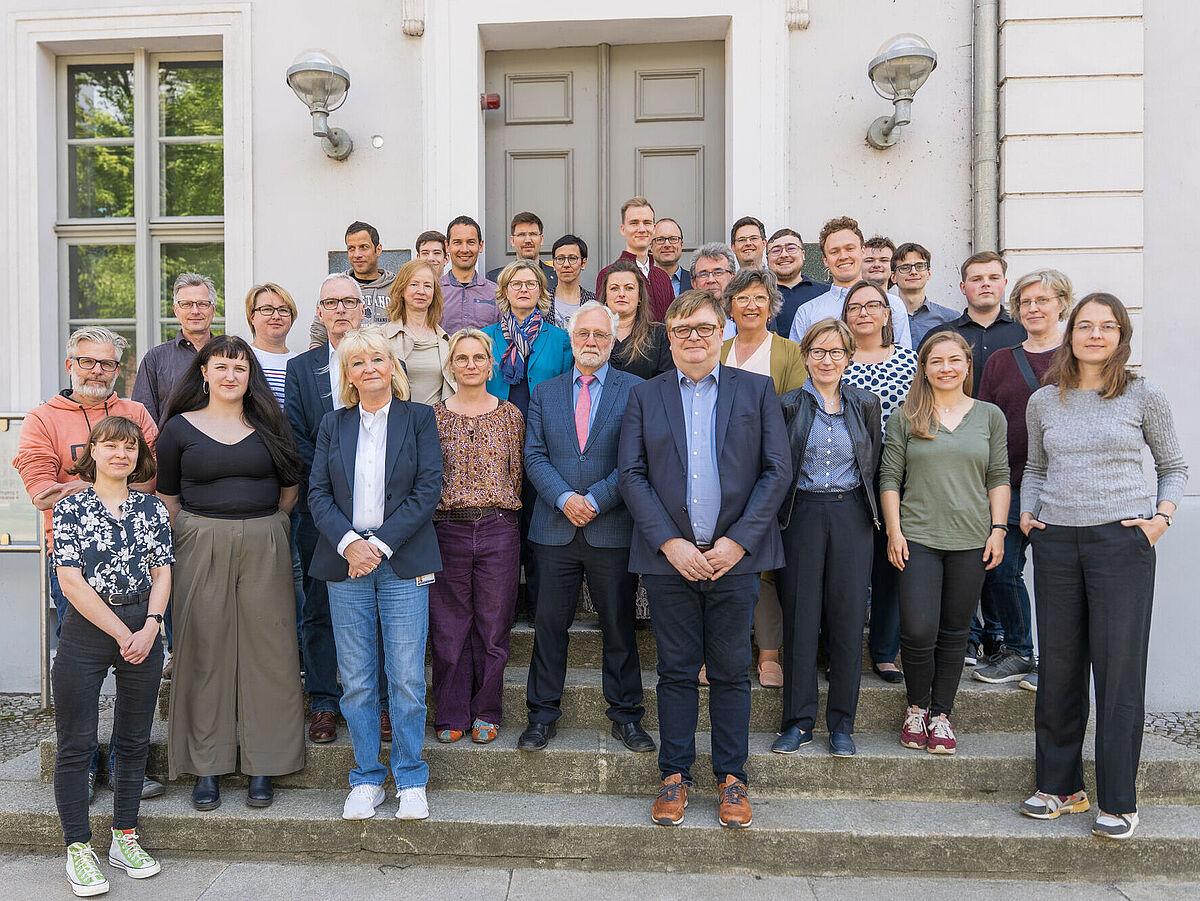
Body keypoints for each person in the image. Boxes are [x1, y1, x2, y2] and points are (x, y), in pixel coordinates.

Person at [618, 289, 791, 829]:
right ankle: (674, 774)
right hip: (668, 559)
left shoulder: (756, 390)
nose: (693, 337)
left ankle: (732, 777)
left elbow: (777, 471)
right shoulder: (645, 395)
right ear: (669, 339)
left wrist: (737, 542)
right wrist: (669, 544)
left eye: (703, 328)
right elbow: (631, 475)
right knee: (674, 670)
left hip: (734, 558)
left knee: (731, 671)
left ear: (722, 333)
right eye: (682, 330)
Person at [1019, 293, 1187, 840]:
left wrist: (1160, 518)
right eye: (1085, 325)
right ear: (1070, 335)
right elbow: (1035, 468)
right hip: (1057, 543)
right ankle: (1060, 787)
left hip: (1121, 542)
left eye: (1107, 326)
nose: (1095, 335)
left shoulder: (1144, 394)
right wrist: (1028, 514)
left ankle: (1119, 800)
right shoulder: (1045, 401)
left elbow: (1173, 465)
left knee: (1118, 671)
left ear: (1121, 337)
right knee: (1060, 667)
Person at [13, 326, 161, 802]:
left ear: (119, 369)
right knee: (82, 677)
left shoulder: (135, 414)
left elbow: (150, 482)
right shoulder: (42, 419)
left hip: (137, 564)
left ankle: (123, 765)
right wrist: (105, 485)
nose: (97, 371)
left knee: (134, 672)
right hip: (74, 566)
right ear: (70, 365)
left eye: (107, 363)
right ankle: (83, 766)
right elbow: (42, 492)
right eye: (87, 361)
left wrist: (78, 485)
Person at [158, 335, 305, 811]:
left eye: (240, 368)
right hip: (200, 540)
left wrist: (263, 527)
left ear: (250, 376)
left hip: (265, 538)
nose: (230, 375)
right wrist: (199, 532)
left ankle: (266, 762)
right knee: (204, 649)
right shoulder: (178, 428)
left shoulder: (271, 423)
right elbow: (167, 496)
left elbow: (289, 490)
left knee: (271, 650)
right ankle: (207, 766)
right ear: (204, 372)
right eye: (221, 366)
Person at [308, 327, 443, 822]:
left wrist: (379, 545)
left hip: (401, 560)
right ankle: (366, 778)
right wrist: (350, 544)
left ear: (393, 367)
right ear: (348, 374)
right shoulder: (333, 424)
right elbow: (318, 493)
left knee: (406, 679)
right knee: (358, 680)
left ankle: (410, 778)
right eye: (358, 362)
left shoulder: (419, 418)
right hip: (346, 563)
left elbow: (428, 490)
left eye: (377, 359)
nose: (369, 368)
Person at [520, 301, 652, 753]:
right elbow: (534, 455)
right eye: (583, 334)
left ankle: (626, 716)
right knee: (549, 627)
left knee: (619, 628)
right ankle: (541, 716)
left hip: (611, 526)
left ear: (613, 341)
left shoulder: (636, 390)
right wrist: (565, 498)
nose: (591, 341)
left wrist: (595, 499)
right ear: (571, 339)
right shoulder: (546, 392)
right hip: (553, 528)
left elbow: (635, 458)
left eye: (600, 334)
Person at [50, 416, 170, 897]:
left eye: (130, 447)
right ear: (93, 452)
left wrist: (152, 626)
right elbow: (70, 580)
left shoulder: (152, 508)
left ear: (139, 456)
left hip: (145, 624)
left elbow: (163, 571)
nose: (121, 454)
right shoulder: (71, 508)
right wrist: (124, 634)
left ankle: (125, 836)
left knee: (134, 738)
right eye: (111, 445)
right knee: (76, 743)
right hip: (88, 628)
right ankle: (78, 846)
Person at [879, 331, 1010, 755]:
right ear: (924, 368)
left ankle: (941, 714)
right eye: (937, 361)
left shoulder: (989, 416)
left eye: (955, 360)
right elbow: (889, 478)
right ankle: (916, 707)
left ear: (968, 366)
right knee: (918, 630)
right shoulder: (907, 416)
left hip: (971, 539)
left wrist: (998, 529)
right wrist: (894, 531)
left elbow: (999, 476)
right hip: (917, 537)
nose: (946, 368)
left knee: (955, 632)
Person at [774, 319, 882, 757]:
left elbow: (873, 462)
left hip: (852, 515)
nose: (826, 360)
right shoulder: (786, 405)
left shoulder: (866, 403)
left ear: (849, 357)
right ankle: (798, 722)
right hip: (801, 514)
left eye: (836, 352)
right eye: (818, 351)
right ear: (805, 356)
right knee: (801, 619)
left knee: (848, 618)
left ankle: (842, 724)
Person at [972, 269, 1074, 687]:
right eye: (1026, 302)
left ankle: (1059, 663)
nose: (1033, 308)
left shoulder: (1079, 357)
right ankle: (1018, 651)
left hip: (1065, 488)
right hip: (1010, 484)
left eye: (1042, 300)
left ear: (1062, 305)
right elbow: (983, 423)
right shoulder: (1001, 361)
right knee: (1002, 571)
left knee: (1061, 581)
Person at [429, 329, 525, 744]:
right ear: (450, 367)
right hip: (447, 527)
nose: (470, 365)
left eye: (478, 358)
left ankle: (487, 709)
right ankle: (452, 711)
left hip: (498, 527)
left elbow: (517, 473)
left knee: (493, 624)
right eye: (462, 358)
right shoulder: (432, 417)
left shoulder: (510, 415)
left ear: (491, 365)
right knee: (449, 627)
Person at [285, 274, 367, 745]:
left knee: (375, 607)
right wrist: (330, 486)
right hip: (318, 508)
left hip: (376, 510)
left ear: (363, 309)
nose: (340, 310)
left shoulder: (383, 359)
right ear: (319, 312)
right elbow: (296, 435)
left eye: (348, 302)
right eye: (331, 303)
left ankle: (374, 700)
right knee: (318, 606)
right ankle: (322, 701)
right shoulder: (302, 368)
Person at [718, 267, 806, 688]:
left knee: (763, 564)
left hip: (768, 472)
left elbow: (795, 412)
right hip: (718, 476)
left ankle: (769, 655)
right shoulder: (717, 349)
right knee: (719, 560)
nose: (751, 306)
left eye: (760, 298)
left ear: (772, 306)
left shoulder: (788, 352)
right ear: (729, 307)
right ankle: (720, 652)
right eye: (742, 298)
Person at [482, 260, 573, 623]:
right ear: (504, 291)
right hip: (496, 443)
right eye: (516, 284)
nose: (523, 289)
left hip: (542, 442)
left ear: (541, 292)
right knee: (503, 528)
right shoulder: (486, 336)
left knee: (538, 523)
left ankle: (538, 608)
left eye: (530, 284)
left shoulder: (559, 338)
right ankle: (502, 609)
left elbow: (567, 389)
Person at [839, 280, 920, 684]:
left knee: (892, 564)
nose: (864, 313)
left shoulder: (909, 360)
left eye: (873, 305)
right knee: (848, 569)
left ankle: (885, 651)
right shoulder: (834, 359)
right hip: (847, 477)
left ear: (887, 314)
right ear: (845, 316)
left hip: (898, 474)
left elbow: (923, 414)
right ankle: (842, 648)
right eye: (855, 307)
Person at [245, 282, 305, 660]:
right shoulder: (242, 359)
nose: (276, 316)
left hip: (293, 476)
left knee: (294, 566)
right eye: (266, 309)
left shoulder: (301, 363)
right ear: (251, 317)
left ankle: (295, 649)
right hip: (252, 475)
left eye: (283, 309)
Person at [789, 217, 912, 349]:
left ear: (862, 252)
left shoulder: (893, 305)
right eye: (834, 252)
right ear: (825, 260)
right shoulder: (807, 313)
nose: (843, 256)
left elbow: (903, 355)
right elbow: (799, 360)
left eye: (849, 248)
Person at [132, 273, 217, 424]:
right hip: (170, 440)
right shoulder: (155, 359)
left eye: (202, 304)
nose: (195, 311)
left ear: (213, 309)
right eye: (186, 304)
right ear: (175, 310)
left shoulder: (229, 356)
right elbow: (143, 419)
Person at [942, 251, 1026, 396]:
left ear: (1004, 283)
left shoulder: (1026, 331)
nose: (986, 284)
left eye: (994, 278)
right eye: (976, 279)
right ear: (963, 287)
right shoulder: (942, 335)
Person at [309, 221, 396, 347]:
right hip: (343, 357)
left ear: (378, 250)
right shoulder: (335, 287)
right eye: (351, 248)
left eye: (363, 247)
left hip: (384, 356)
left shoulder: (397, 288)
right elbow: (319, 333)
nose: (357, 255)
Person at [383, 259, 456, 405]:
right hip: (397, 417)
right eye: (414, 284)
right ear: (401, 289)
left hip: (436, 417)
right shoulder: (382, 337)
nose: (421, 291)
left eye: (427, 286)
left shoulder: (446, 341)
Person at [595, 196, 675, 321]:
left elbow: (673, 320)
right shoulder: (607, 275)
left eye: (647, 223)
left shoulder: (663, 276)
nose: (642, 229)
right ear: (623, 229)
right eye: (634, 223)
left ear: (654, 229)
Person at [601, 259, 672, 381]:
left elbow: (665, 382)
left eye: (629, 288)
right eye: (614, 288)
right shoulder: (591, 335)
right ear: (605, 297)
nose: (621, 294)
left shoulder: (661, 335)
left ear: (639, 297)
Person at [440, 215, 500, 334]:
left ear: (480, 246)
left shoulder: (496, 293)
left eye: (471, 242)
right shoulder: (434, 291)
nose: (464, 249)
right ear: (447, 246)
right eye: (457, 242)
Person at [892, 242, 957, 347]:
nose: (913, 272)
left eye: (919, 266)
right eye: (905, 267)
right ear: (893, 277)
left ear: (928, 273)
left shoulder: (950, 319)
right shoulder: (884, 317)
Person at [766, 228, 828, 338]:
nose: (784, 255)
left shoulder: (825, 293)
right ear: (767, 259)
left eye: (791, 248)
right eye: (776, 251)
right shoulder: (761, 296)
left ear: (803, 254)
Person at [486, 211, 558, 292]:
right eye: (521, 234)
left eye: (533, 234)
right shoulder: (494, 279)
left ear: (541, 239)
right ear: (512, 240)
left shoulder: (557, 276)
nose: (528, 240)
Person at [548, 234, 595, 328]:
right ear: (553, 263)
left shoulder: (594, 302)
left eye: (572, 258)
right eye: (560, 258)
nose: (566, 264)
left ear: (583, 263)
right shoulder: (543, 300)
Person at [651, 218, 691, 297]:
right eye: (660, 239)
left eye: (673, 239)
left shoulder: (696, 282)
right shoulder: (642, 283)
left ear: (681, 244)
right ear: (651, 246)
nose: (667, 245)